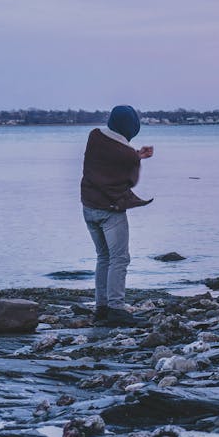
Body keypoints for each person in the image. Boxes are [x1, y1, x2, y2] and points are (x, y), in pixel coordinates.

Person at [80, 105, 154, 326]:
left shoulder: (94, 137)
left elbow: (108, 160)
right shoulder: (126, 155)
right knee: (120, 259)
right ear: (131, 128)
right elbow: (130, 180)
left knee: (103, 257)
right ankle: (116, 309)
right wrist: (136, 158)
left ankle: (101, 308)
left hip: (88, 208)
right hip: (110, 211)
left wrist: (135, 156)